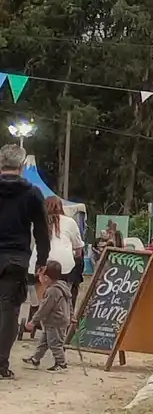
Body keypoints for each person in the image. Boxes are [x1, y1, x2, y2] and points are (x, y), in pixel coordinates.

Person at [0, 144, 48, 380]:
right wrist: (42, 260)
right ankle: (1, 364)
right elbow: (42, 230)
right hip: (16, 259)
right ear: (21, 167)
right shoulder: (33, 193)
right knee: (9, 312)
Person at [28, 197, 83, 318]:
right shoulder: (70, 222)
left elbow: (31, 246)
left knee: (39, 293)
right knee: (66, 287)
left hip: (39, 265)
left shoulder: (36, 223)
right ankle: (64, 312)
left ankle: (38, 308)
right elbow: (78, 248)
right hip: (64, 267)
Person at [20, 260, 69, 371]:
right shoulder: (62, 286)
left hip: (55, 321)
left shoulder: (52, 291)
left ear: (46, 278)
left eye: (40, 276)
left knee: (54, 343)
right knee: (43, 342)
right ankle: (35, 359)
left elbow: (44, 309)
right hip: (52, 321)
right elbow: (69, 301)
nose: (39, 279)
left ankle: (61, 363)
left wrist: (33, 321)